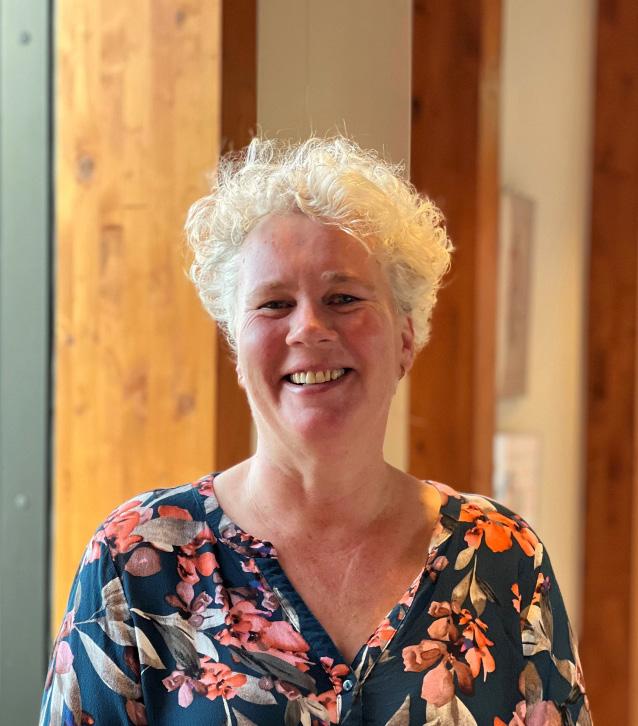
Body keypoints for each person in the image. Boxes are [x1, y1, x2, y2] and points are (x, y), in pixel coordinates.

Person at [40, 137, 591, 725]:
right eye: (274, 304)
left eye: (343, 298)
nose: (307, 328)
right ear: (238, 350)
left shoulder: (504, 557)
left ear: (405, 339)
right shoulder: (136, 558)